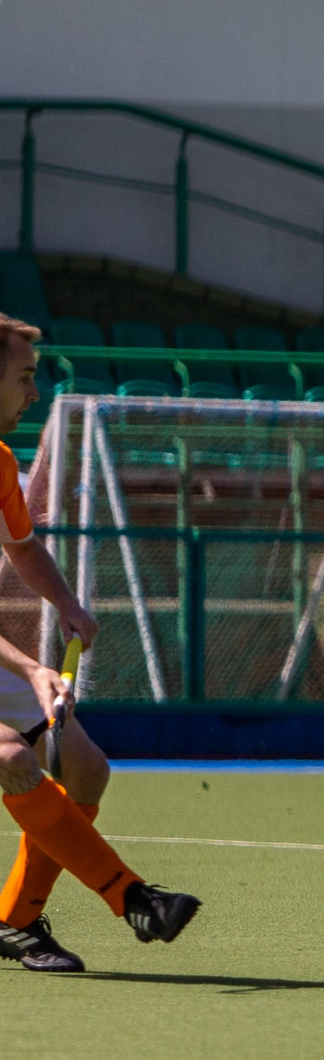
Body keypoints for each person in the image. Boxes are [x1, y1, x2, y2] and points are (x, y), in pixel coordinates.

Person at [0, 312, 200, 971]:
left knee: (86, 768)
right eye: (24, 377)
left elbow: (22, 547)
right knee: (10, 755)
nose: (35, 394)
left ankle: (12, 921)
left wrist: (65, 602)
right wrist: (33, 669)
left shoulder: (0, 463)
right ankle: (132, 897)